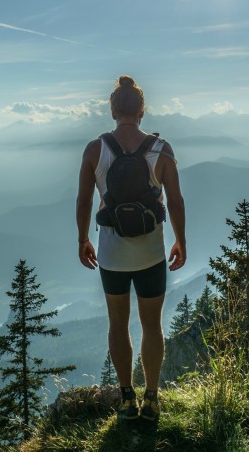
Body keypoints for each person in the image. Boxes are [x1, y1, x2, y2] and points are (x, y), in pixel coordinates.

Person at [76, 75, 186, 422]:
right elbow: (176, 200)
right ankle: (151, 398)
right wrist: (181, 240)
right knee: (152, 326)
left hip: (112, 254)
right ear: (142, 110)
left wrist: (82, 239)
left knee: (118, 323)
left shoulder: (96, 149)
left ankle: (126, 399)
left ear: (112, 110)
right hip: (151, 252)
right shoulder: (161, 149)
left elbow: (84, 198)